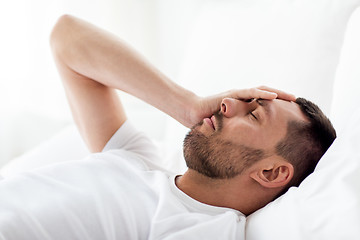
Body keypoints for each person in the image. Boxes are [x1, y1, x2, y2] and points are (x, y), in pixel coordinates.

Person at [0, 15, 336, 240]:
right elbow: (66, 37)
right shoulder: (139, 158)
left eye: (252, 116)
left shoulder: (201, 229)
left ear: (272, 172)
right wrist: (186, 104)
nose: (226, 104)